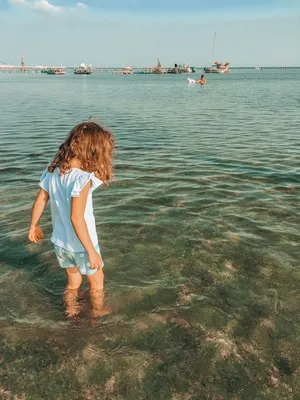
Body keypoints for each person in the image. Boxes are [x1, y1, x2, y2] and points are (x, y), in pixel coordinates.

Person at [28, 121, 114, 318]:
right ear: (92, 150)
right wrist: (91, 251)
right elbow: (76, 217)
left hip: (61, 243)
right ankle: (98, 313)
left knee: (73, 283)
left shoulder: (53, 170)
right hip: (82, 245)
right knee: (97, 283)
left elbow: (40, 200)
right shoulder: (81, 178)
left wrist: (34, 225)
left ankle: (72, 313)